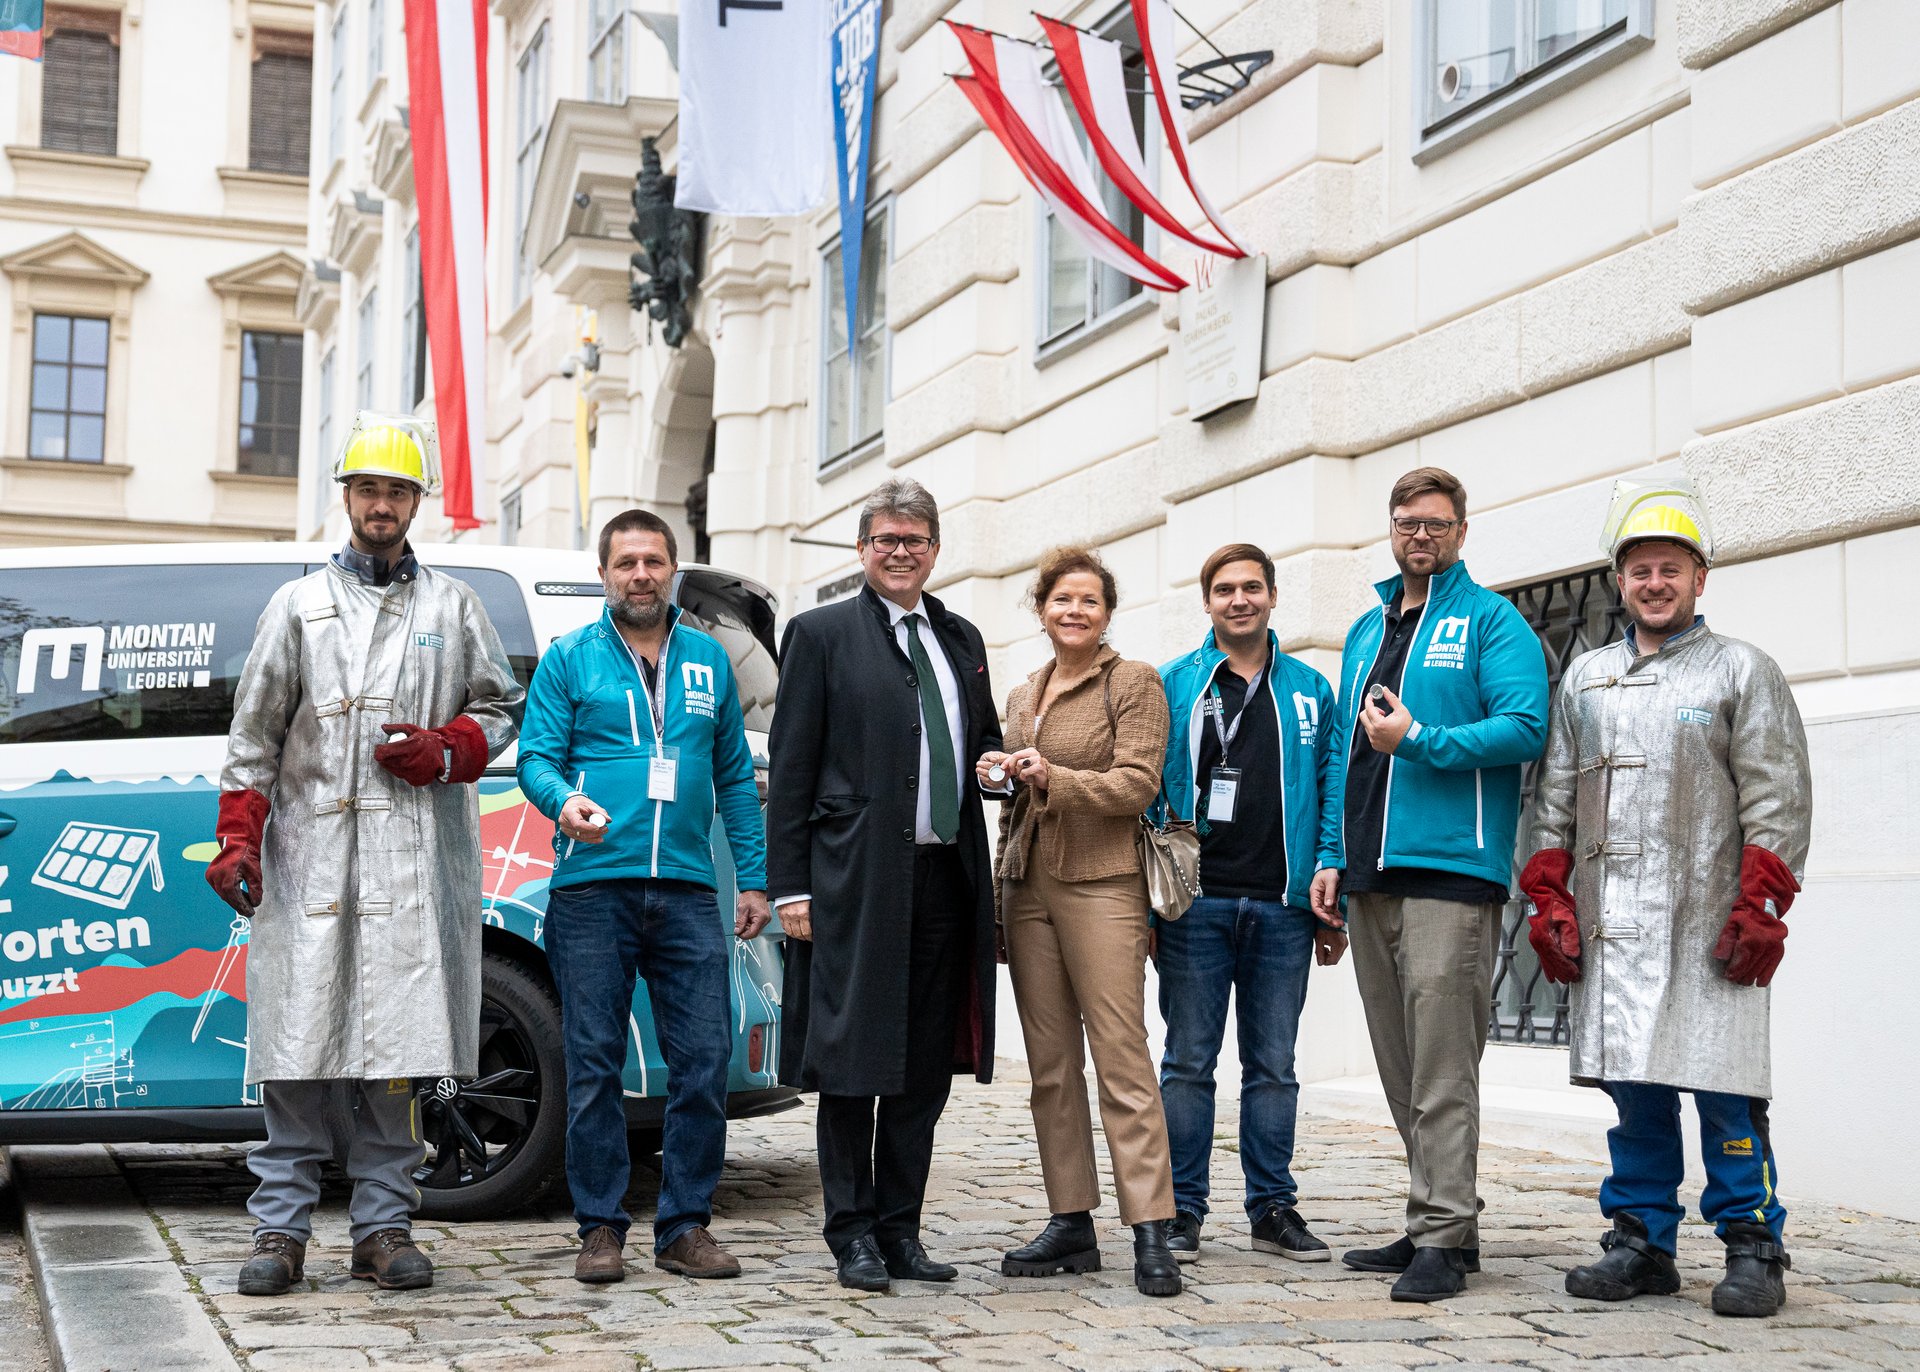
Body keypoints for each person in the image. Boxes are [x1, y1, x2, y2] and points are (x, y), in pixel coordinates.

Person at [207, 413, 523, 1297]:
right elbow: (254, 732)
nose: (382, 504)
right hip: (308, 856)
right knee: (297, 1046)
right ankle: (280, 1233)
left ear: (417, 501)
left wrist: (449, 747)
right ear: (346, 496)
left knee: (394, 1047)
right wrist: (239, 834)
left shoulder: (454, 606)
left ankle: (384, 1228)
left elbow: (502, 709)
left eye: (398, 490)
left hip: (412, 867)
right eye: (369, 489)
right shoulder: (296, 605)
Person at [1521, 480, 1811, 1318]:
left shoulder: (1742, 668)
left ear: (1700, 578)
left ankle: (1753, 1241)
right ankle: (1640, 1239)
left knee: (1726, 1087)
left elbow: (1777, 794)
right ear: (1620, 580)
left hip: (1709, 919)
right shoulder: (1587, 676)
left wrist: (1762, 903)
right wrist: (1549, 896)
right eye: (1640, 569)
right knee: (1634, 1089)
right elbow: (1556, 799)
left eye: (1670, 569)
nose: (1655, 582)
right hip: (1615, 925)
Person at [516, 509, 770, 1284]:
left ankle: (685, 1225)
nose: (639, 575)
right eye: (625, 562)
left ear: (673, 570)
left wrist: (754, 877)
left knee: (704, 1059)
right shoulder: (570, 658)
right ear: (604, 574)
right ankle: (600, 1228)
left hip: (690, 891)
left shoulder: (707, 661)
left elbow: (733, 777)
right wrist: (564, 803)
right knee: (593, 1062)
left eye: (653, 561)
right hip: (592, 890)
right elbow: (535, 757)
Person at [766, 478, 1004, 1292]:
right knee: (854, 1061)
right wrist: (790, 888)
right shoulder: (821, 634)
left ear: (936, 550)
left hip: (946, 883)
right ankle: (852, 1234)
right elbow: (791, 770)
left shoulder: (961, 637)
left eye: (916, 540)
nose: (901, 552)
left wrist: (999, 770)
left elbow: (981, 745)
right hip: (854, 883)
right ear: (863, 550)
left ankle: (902, 1229)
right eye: (886, 540)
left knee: (923, 1069)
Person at [1327, 467, 1549, 1301]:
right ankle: (1437, 1218)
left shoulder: (1494, 622)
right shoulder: (1365, 629)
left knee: (1444, 1066)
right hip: (1370, 873)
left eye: (1436, 523)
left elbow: (1525, 727)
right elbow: (1346, 759)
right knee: (1399, 1062)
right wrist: (1330, 859)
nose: (1420, 535)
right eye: (1406, 522)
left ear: (1461, 531)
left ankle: (1446, 1239)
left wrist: (1420, 738)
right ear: (1391, 529)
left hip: (1452, 873)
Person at [981, 546, 1180, 1298]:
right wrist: (1000, 776)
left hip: (1104, 884)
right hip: (1029, 886)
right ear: (1041, 609)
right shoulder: (1026, 691)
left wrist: (1048, 775)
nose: (1075, 611)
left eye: (1089, 601)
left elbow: (1136, 784)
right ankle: (1072, 1220)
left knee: (1122, 1055)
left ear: (1106, 613)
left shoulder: (1133, 682)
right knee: (1051, 1065)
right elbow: (1021, 799)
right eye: (1062, 600)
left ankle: (1152, 1228)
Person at [1153, 543, 1347, 1266]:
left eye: (1252, 588)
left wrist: (1333, 893)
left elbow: (1333, 797)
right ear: (1207, 603)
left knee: (1274, 1066)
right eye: (1225, 589)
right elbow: (1149, 796)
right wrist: (1151, 911)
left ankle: (1273, 1209)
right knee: (1188, 1063)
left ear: (1272, 598)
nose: (1240, 599)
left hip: (1283, 907)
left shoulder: (1309, 689)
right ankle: (1180, 1211)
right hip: (1194, 907)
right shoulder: (1174, 683)